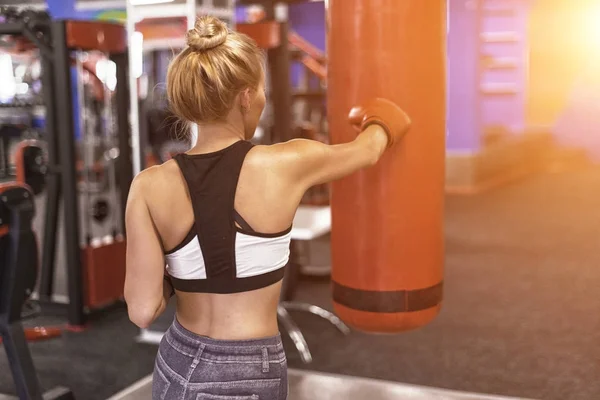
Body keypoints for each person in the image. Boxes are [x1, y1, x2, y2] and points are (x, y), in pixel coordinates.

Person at [124, 15, 409, 400]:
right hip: (246, 367)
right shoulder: (289, 162)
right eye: (260, 90)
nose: (262, 99)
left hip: (177, 359)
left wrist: (185, 267)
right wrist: (384, 116)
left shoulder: (147, 186)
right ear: (245, 95)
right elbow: (369, 150)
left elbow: (142, 310)